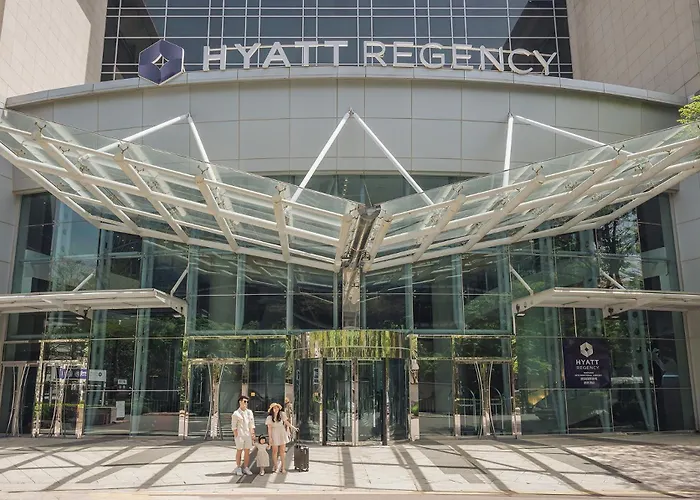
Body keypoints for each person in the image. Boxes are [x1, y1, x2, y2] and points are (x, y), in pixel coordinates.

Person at [231, 395, 255, 476]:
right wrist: (236, 435)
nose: (246, 403)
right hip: (240, 435)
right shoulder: (236, 413)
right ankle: (238, 467)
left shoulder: (249, 412)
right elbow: (234, 426)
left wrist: (252, 434)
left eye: (247, 402)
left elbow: (251, 424)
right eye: (244, 401)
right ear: (240, 402)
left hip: (248, 435)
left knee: (247, 451)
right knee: (239, 450)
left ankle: (246, 467)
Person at [265, 402, 291, 473]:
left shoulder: (282, 414)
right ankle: (275, 466)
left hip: (282, 433)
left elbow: (286, 422)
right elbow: (269, 429)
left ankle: (283, 467)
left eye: (277, 407)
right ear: (272, 409)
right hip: (274, 433)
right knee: (275, 451)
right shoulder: (269, 418)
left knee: (282, 451)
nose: (276, 409)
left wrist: (293, 427)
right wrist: (270, 438)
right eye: (274, 408)